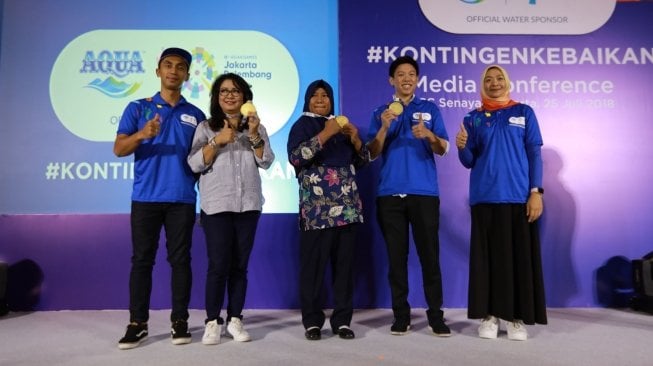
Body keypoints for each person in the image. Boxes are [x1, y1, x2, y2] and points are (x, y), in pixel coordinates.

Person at [114, 47, 206, 350]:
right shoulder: (138, 108)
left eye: (180, 67)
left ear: (187, 75)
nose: (173, 71)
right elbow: (119, 149)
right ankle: (137, 324)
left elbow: (203, 158)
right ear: (158, 71)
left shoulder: (195, 114)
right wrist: (142, 134)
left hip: (181, 198)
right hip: (145, 198)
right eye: (168, 65)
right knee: (142, 261)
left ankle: (179, 321)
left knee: (181, 261)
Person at [455, 65, 547, 341]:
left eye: (499, 79)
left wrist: (536, 192)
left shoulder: (524, 112)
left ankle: (516, 318)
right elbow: (469, 162)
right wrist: (462, 146)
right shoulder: (472, 118)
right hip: (484, 198)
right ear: (482, 85)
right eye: (488, 79)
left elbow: (534, 154)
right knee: (487, 262)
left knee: (517, 260)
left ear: (507, 82)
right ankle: (490, 316)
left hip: (518, 197)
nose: (494, 83)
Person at [366, 56, 451, 337]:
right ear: (391, 80)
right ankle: (401, 316)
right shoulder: (381, 111)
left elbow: (442, 149)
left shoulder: (429, 109)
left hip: (424, 194)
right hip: (390, 195)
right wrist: (383, 128)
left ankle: (436, 316)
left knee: (430, 257)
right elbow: (372, 152)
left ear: (417, 79)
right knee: (396, 258)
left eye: (411, 74)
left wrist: (428, 134)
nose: (406, 78)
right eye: (400, 74)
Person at [187, 73, 275, 345]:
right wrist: (217, 141)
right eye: (224, 91)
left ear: (244, 95)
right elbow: (193, 164)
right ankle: (213, 321)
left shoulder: (255, 127)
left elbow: (267, 161)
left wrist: (254, 136)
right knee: (218, 265)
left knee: (239, 266)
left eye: (235, 90)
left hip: (248, 205)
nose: (229, 95)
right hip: (216, 205)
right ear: (216, 97)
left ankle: (235, 319)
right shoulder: (205, 127)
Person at [287, 80, 370, 341]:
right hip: (316, 211)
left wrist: (355, 140)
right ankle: (312, 322)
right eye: (315, 95)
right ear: (308, 100)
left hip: (346, 209)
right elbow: (296, 157)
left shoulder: (342, 125)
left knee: (344, 269)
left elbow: (364, 161)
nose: (321, 99)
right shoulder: (302, 125)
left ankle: (342, 320)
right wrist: (326, 133)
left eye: (326, 95)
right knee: (312, 269)